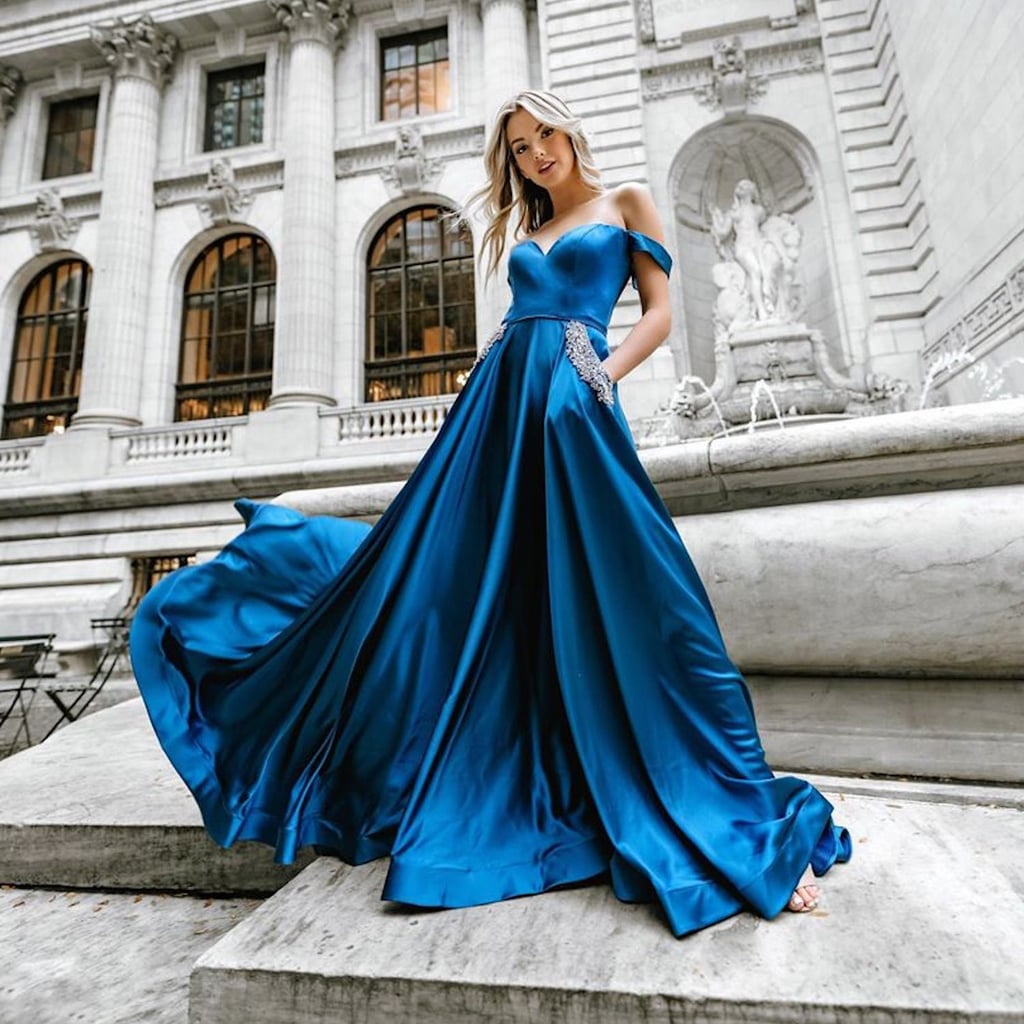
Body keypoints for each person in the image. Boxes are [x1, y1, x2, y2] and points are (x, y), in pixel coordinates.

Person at [129, 89, 850, 939]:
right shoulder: (525, 229)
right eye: (518, 147)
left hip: (574, 405)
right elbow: (520, 320)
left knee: (645, 596)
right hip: (499, 408)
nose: (536, 153)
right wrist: (493, 370)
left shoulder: (627, 203)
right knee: (450, 580)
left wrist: (602, 376)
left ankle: (725, 815)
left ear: (570, 132)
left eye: (544, 135)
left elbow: (659, 314)